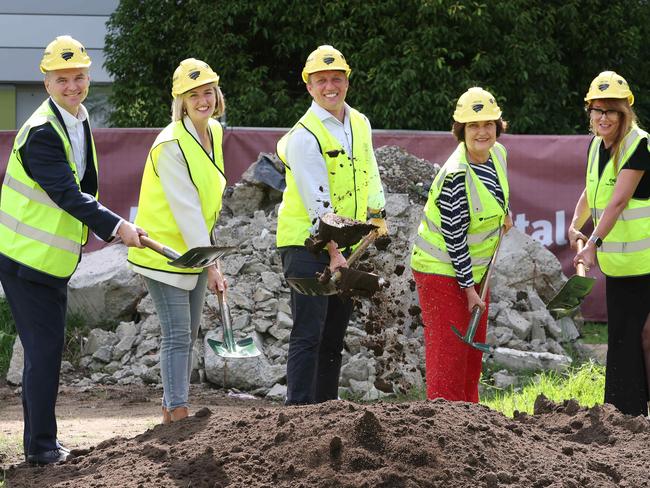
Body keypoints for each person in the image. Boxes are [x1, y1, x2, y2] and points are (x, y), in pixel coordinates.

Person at [0, 35, 145, 466]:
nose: (72, 86)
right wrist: (118, 226)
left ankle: (43, 443)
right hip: (26, 261)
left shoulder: (77, 120)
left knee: (46, 353)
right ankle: (41, 449)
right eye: (62, 79)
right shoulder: (43, 132)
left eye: (79, 77)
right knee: (44, 355)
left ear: (88, 78)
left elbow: (82, 187)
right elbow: (67, 193)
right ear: (46, 82)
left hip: (51, 260)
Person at [276, 45, 387, 405]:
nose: (330, 87)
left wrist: (377, 216)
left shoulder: (359, 123)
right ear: (309, 86)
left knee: (334, 334)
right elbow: (317, 206)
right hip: (305, 244)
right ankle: (297, 418)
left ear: (347, 82)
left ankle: (325, 415)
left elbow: (369, 171)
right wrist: (335, 253)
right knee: (309, 332)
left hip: (346, 244)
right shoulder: (303, 136)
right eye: (321, 81)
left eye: (336, 79)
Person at [127, 58, 227, 423]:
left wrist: (213, 259)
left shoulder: (213, 131)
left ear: (216, 95)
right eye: (193, 95)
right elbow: (186, 210)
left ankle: (172, 412)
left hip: (196, 250)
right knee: (178, 332)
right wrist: (212, 265)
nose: (203, 100)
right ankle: (178, 411)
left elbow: (207, 206)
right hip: (164, 253)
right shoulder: (170, 145)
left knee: (189, 332)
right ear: (180, 102)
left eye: (207, 92)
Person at [410, 87, 512, 402]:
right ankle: (441, 430)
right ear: (461, 131)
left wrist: (504, 214)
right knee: (449, 357)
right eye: (473, 126)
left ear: (497, 127)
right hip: (442, 274)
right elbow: (455, 238)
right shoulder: (456, 176)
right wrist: (468, 290)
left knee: (470, 357)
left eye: (488, 124)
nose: (482, 132)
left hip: (476, 271)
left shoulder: (497, 155)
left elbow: (494, 196)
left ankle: (471, 427)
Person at [569, 71, 650, 417]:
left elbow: (618, 200)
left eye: (611, 111)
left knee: (642, 336)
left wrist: (593, 243)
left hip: (647, 262)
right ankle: (622, 416)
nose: (603, 118)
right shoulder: (596, 145)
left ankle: (633, 413)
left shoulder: (638, 144)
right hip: (622, 264)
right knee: (620, 338)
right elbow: (593, 190)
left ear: (624, 113)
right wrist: (576, 223)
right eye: (597, 110)